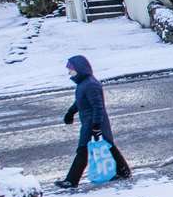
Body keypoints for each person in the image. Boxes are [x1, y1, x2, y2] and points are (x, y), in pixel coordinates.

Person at [56, 54, 131, 189]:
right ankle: (123, 171)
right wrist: (71, 112)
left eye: (71, 69)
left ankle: (72, 180)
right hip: (89, 121)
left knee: (83, 149)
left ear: (79, 69)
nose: (69, 72)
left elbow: (98, 107)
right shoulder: (83, 84)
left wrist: (96, 125)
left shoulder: (91, 85)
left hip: (94, 122)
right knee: (108, 146)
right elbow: (80, 102)